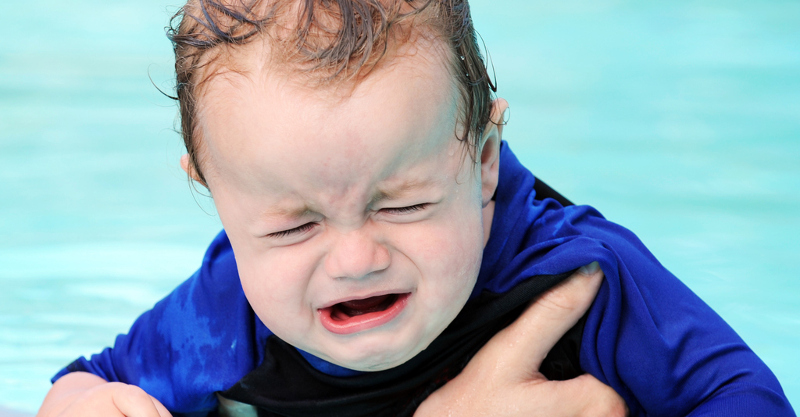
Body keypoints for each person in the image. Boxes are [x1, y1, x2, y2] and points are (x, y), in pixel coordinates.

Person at [37, 0, 795, 416]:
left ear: (484, 160)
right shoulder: (226, 313)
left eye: (405, 204)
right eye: (293, 224)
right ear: (217, 199)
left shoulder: (577, 278)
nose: (356, 257)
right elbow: (87, 378)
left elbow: (747, 397)